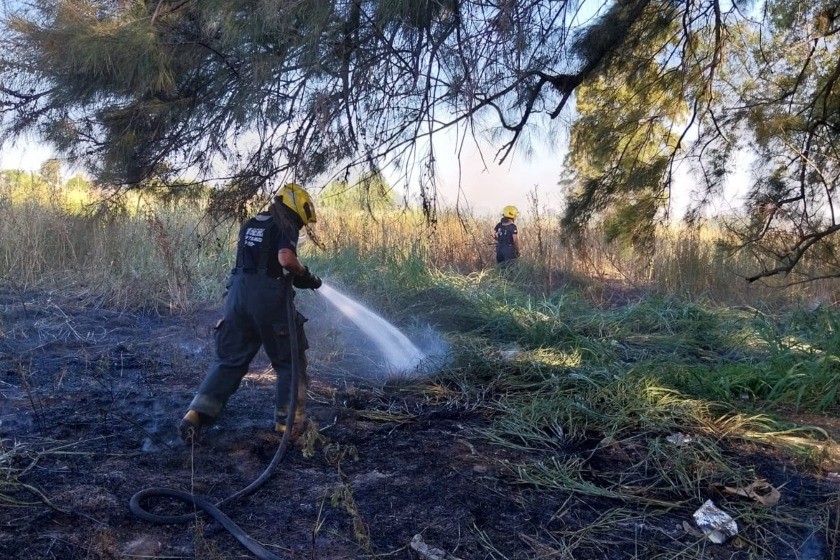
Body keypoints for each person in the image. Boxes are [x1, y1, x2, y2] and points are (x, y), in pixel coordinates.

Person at [179, 183, 323, 444]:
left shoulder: (252, 224)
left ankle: (196, 414)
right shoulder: (286, 224)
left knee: (229, 361)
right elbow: (285, 259)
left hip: (237, 297)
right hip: (267, 300)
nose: (300, 227)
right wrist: (305, 274)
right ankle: (290, 425)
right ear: (296, 209)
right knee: (290, 361)